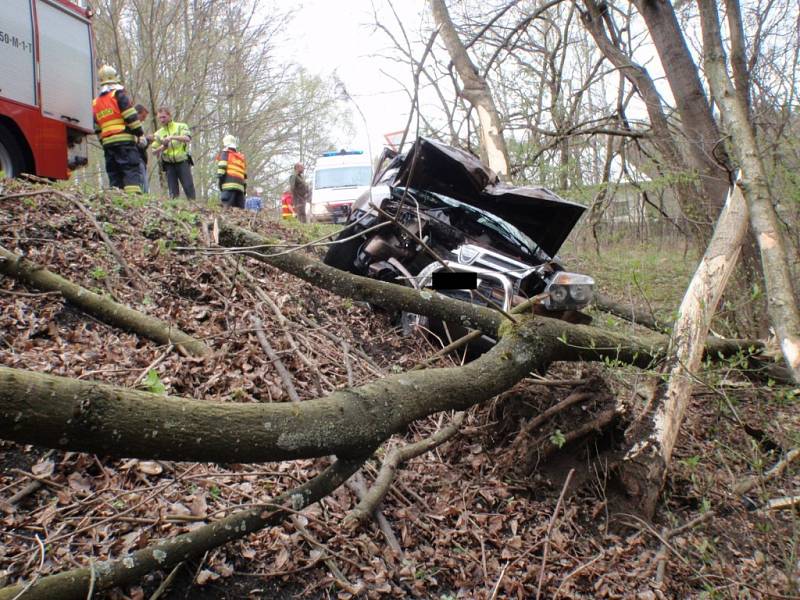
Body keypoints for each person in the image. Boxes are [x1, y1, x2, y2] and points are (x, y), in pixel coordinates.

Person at [91, 65, 144, 194]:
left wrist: (103, 141)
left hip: (108, 144)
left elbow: (96, 126)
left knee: (114, 172)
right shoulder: (118, 95)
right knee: (130, 169)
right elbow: (130, 116)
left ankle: (117, 197)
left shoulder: (96, 103)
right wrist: (139, 133)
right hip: (124, 141)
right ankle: (133, 199)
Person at [151, 106, 196, 199]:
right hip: (168, 164)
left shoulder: (181, 126)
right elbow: (154, 151)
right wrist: (164, 146)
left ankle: (194, 207)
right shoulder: (158, 133)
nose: (162, 120)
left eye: (164, 117)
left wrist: (172, 137)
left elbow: (187, 138)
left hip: (182, 161)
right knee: (173, 191)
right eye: (160, 118)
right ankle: (174, 209)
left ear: (169, 116)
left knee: (188, 187)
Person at [216, 134, 247, 209]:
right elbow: (244, 175)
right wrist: (244, 190)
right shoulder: (241, 158)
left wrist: (220, 183)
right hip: (240, 188)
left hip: (228, 185)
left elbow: (221, 169)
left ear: (225, 144)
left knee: (227, 208)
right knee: (239, 210)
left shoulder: (225, 153)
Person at [134, 104, 152, 193]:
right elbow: (139, 144)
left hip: (141, 158)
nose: (144, 119)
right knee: (142, 184)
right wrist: (148, 139)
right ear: (137, 114)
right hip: (137, 158)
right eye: (143, 116)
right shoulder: (134, 126)